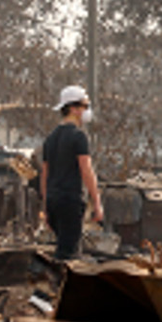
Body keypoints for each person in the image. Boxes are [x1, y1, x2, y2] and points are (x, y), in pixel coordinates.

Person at [37, 85, 104, 260]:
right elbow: (86, 170)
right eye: (85, 106)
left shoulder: (50, 139)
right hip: (70, 202)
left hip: (54, 202)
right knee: (68, 257)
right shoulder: (78, 137)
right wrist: (97, 202)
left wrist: (46, 207)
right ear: (73, 109)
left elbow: (45, 175)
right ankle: (57, 285)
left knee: (66, 247)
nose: (87, 111)